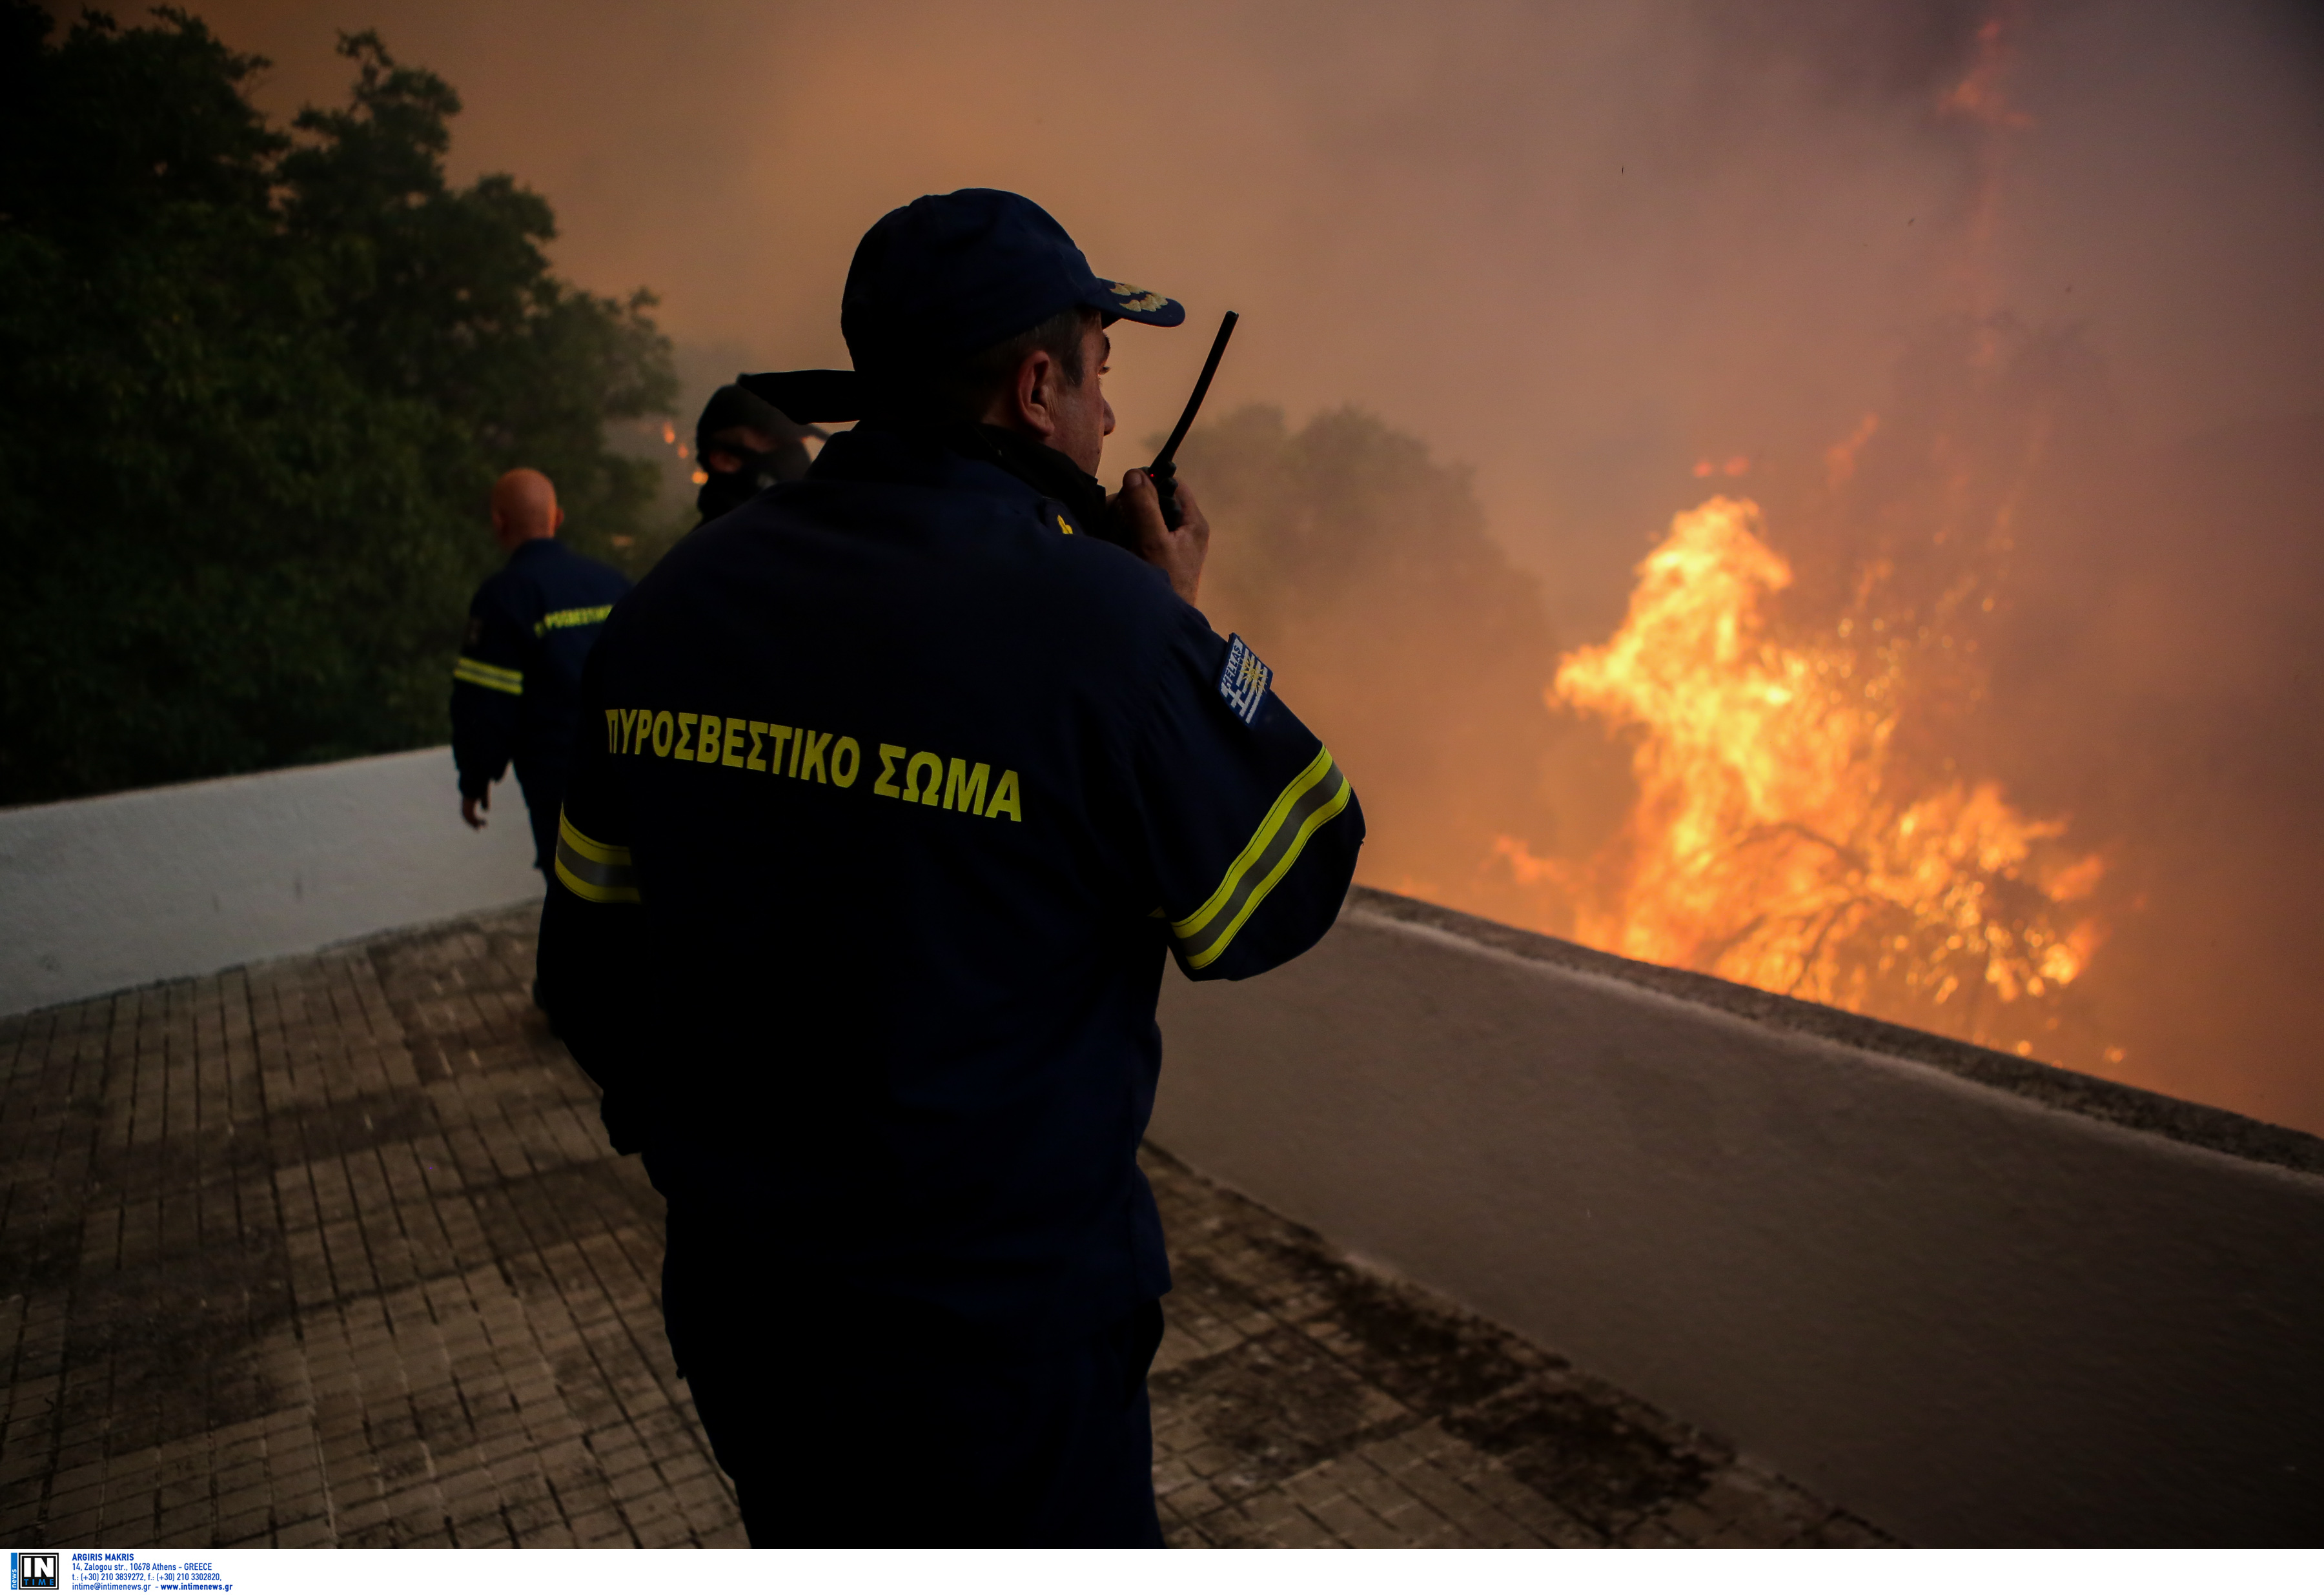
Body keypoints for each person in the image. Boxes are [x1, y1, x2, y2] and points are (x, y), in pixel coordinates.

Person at [536, 189, 1364, 1548]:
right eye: (1102, 374)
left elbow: (591, 968)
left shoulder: (670, 601)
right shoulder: (1108, 626)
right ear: (1037, 387)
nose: (1108, 419)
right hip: (997, 1352)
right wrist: (1174, 624)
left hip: (746, 1310)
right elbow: (1284, 886)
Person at [451, 468, 633, 874]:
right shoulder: (614, 583)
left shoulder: (504, 597)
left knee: (578, 906)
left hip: (560, 784)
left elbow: (485, 702)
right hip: (631, 773)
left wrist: (475, 777)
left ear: (499, 523)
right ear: (557, 518)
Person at [691, 382, 822, 525]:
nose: (789, 452)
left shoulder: (815, 530)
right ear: (723, 460)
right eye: (767, 439)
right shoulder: (714, 544)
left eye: (789, 440)